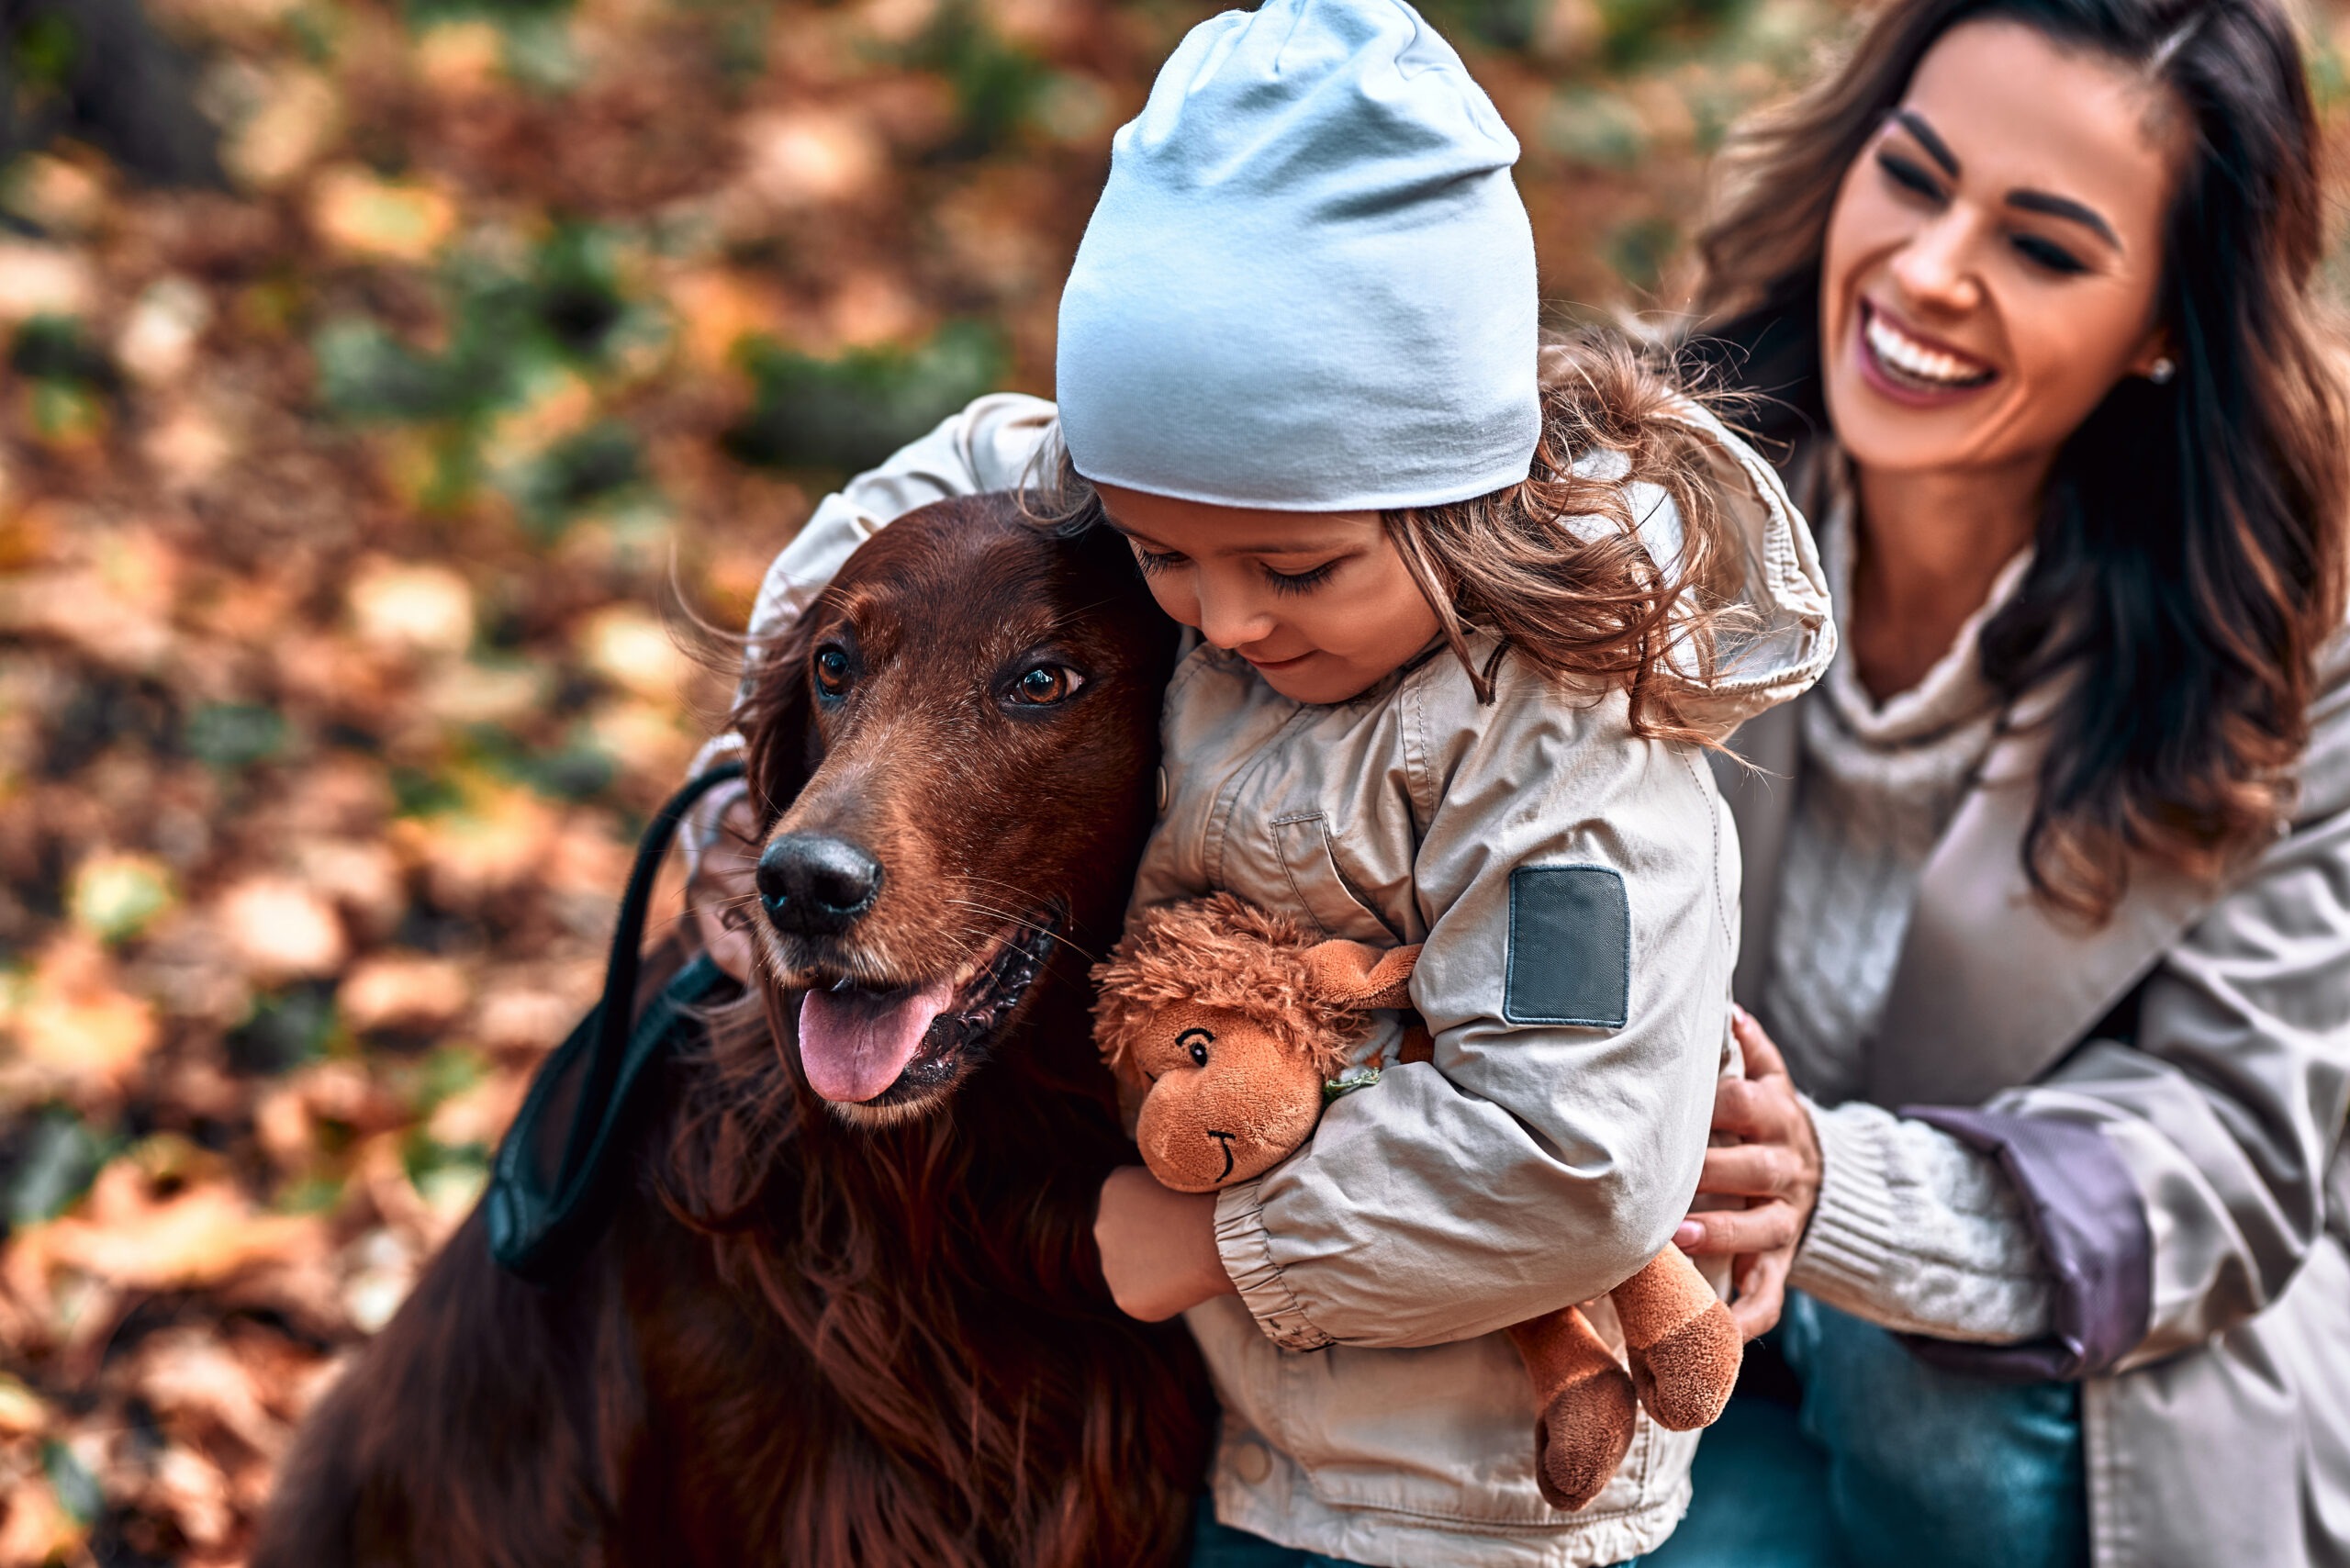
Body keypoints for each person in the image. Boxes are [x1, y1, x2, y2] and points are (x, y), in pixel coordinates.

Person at [682, 1, 1835, 1562]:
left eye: (1289, 567)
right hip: (1269, 1454)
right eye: (1161, 556)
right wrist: (747, 756)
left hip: (1484, 1495)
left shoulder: (1571, 765)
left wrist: (1218, 1241)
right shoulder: (1250, 551)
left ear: (1456, 496)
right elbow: (949, 476)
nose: (1222, 622)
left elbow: (1577, 1160)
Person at [1644, 1, 2350, 1564]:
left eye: (2042, 249)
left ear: (2166, 325)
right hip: (1691, 1353)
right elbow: (1294, 493)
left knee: (1923, 1393)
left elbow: (2228, 1155)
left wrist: (1835, 1191)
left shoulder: (2294, 650)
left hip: (2072, 1403)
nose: (1927, 272)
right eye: (1913, 177)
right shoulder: (1640, 486)